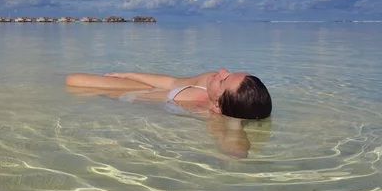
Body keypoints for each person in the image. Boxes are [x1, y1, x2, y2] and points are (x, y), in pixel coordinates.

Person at [65, 68, 272, 120]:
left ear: (218, 105)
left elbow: (235, 142)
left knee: (72, 81)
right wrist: (126, 73)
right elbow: (170, 81)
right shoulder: (207, 80)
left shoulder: (210, 116)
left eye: (224, 79)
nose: (222, 71)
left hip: (127, 99)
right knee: (72, 79)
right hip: (132, 91)